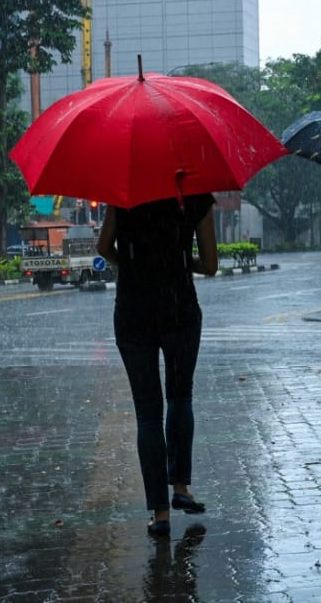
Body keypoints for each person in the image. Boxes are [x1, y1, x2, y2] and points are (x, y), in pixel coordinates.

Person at [97, 193, 218, 537]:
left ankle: (160, 512)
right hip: (179, 308)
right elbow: (210, 265)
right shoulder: (196, 195)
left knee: (147, 413)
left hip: (133, 311)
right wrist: (179, 259)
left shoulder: (123, 193)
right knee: (180, 397)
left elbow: (104, 248)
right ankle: (180, 486)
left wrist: (135, 263)